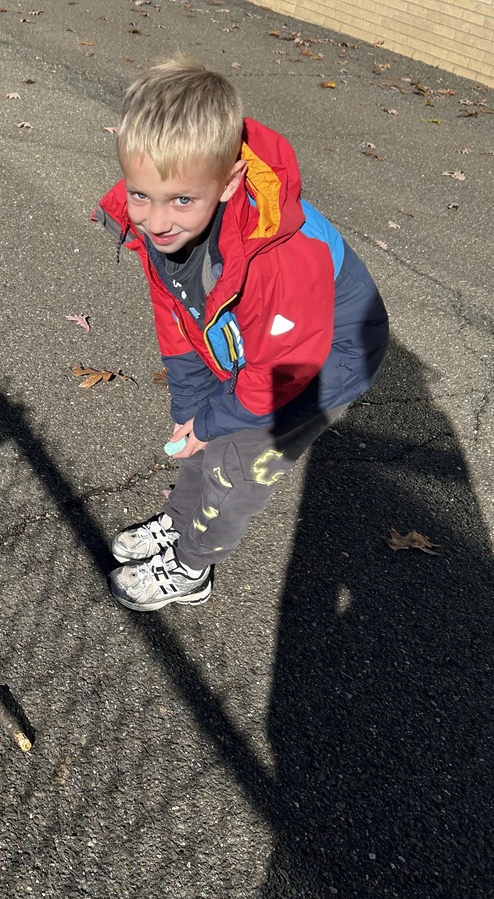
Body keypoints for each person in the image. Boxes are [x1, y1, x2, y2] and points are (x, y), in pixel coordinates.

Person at [91, 56, 389, 612]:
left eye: (181, 200)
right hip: (256, 343)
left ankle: (193, 565)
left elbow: (277, 376)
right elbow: (176, 314)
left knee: (234, 470)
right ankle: (179, 520)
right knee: (200, 436)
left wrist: (211, 420)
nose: (155, 222)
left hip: (321, 361)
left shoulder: (280, 260)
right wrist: (191, 405)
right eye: (140, 195)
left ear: (228, 181)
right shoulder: (164, 226)